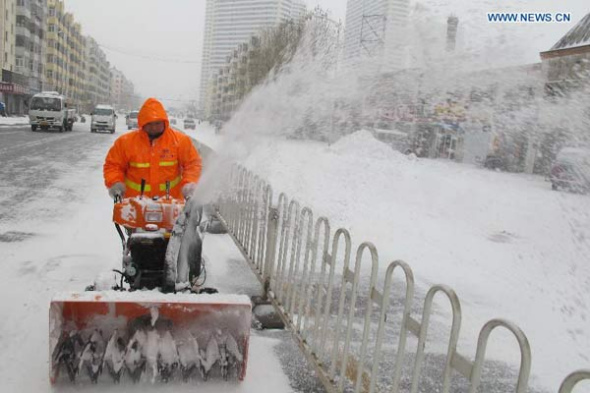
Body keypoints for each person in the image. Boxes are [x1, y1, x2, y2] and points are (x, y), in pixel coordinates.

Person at [103, 97, 202, 200]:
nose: (154, 127)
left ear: (164, 122)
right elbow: (113, 165)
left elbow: (193, 164)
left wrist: (190, 183)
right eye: (149, 123)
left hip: (171, 206)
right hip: (134, 206)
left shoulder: (180, 141)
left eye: (157, 123)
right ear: (142, 123)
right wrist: (115, 183)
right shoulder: (125, 142)